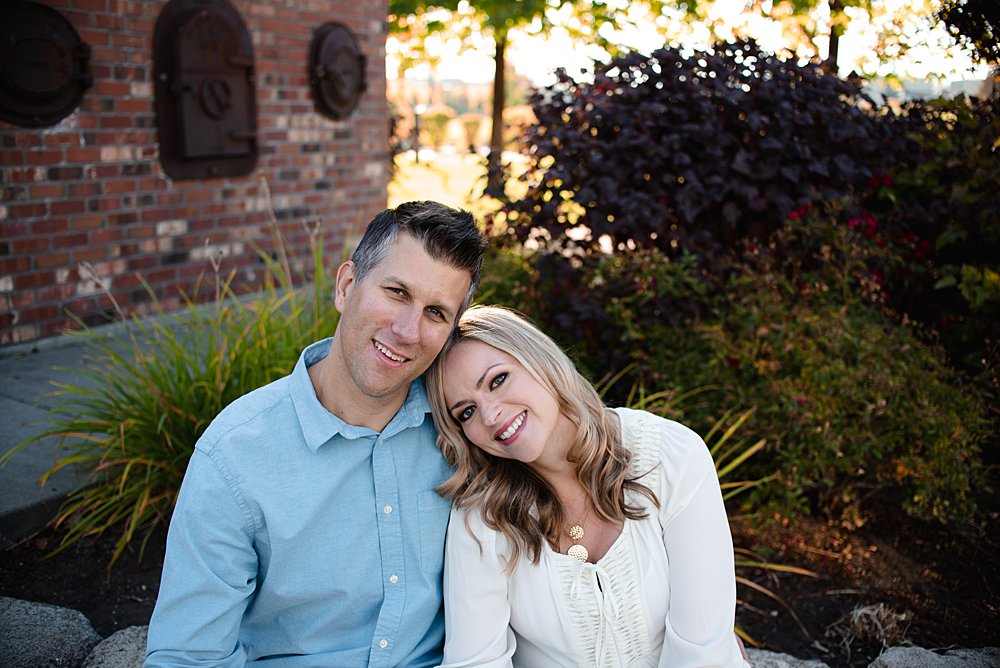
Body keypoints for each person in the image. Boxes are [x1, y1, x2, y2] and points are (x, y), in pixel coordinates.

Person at [144, 201, 489, 667]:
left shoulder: (466, 427)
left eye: (435, 312)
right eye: (396, 292)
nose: (408, 331)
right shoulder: (235, 456)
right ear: (347, 286)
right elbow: (188, 656)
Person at [425, 305, 751, 668]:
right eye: (466, 412)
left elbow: (702, 653)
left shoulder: (671, 457)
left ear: (539, 359)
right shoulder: (482, 519)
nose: (489, 415)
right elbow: (476, 662)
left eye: (497, 380)